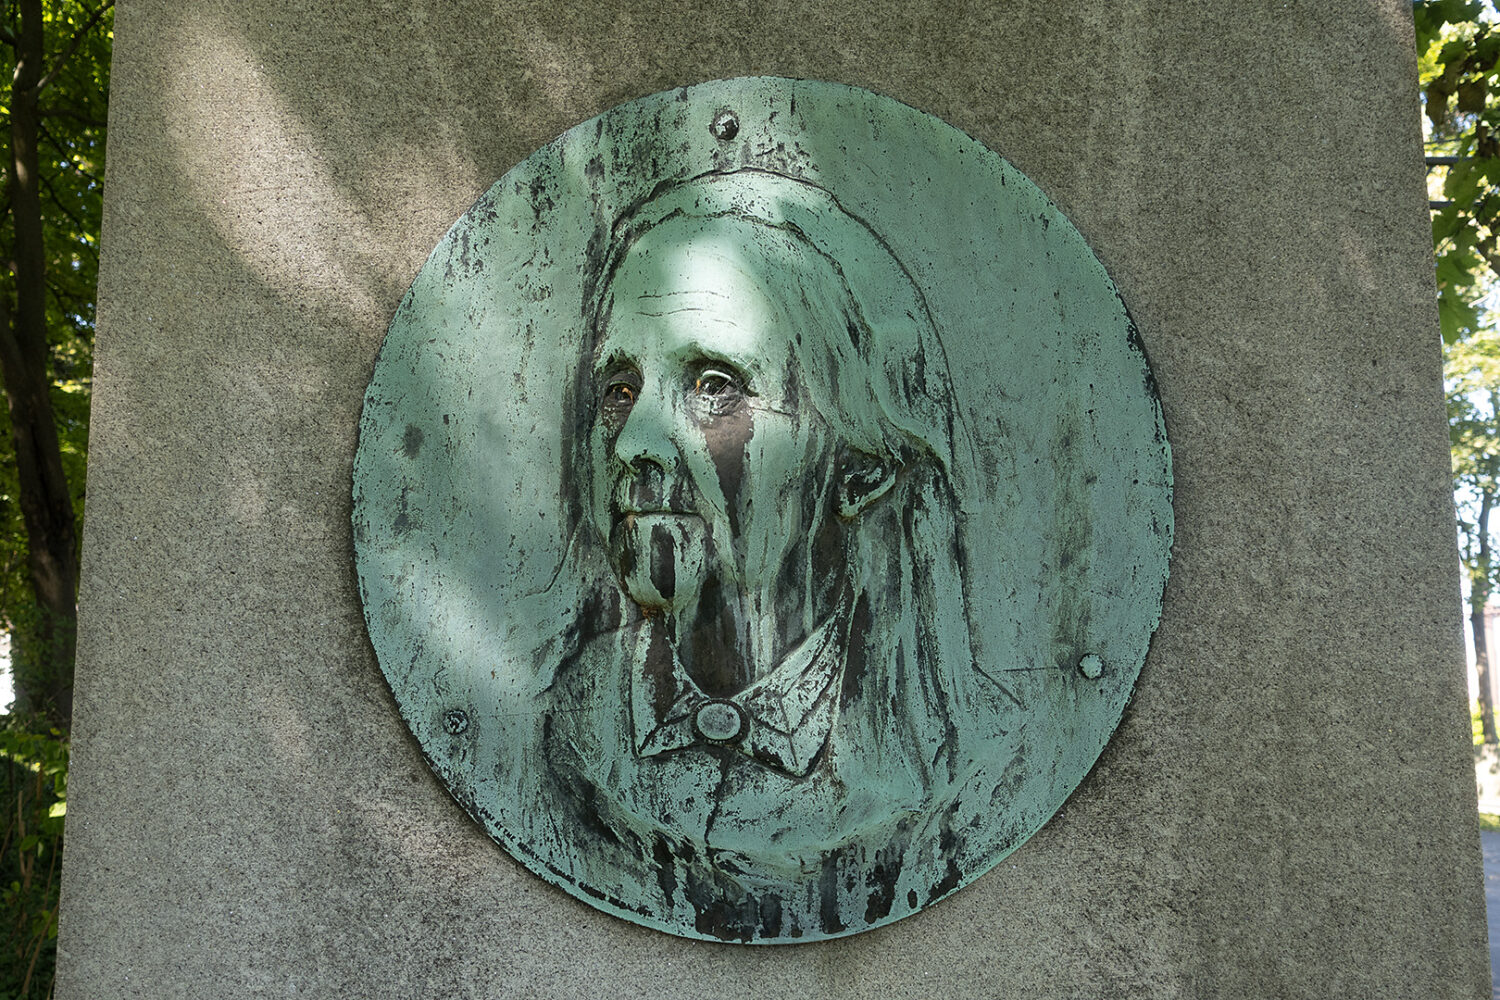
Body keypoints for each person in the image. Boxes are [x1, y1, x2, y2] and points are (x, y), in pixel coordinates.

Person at [514, 168, 1017, 941]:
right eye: (619, 389)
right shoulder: (565, 724)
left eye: (714, 384)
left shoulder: (976, 750)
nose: (635, 444)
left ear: (860, 469)